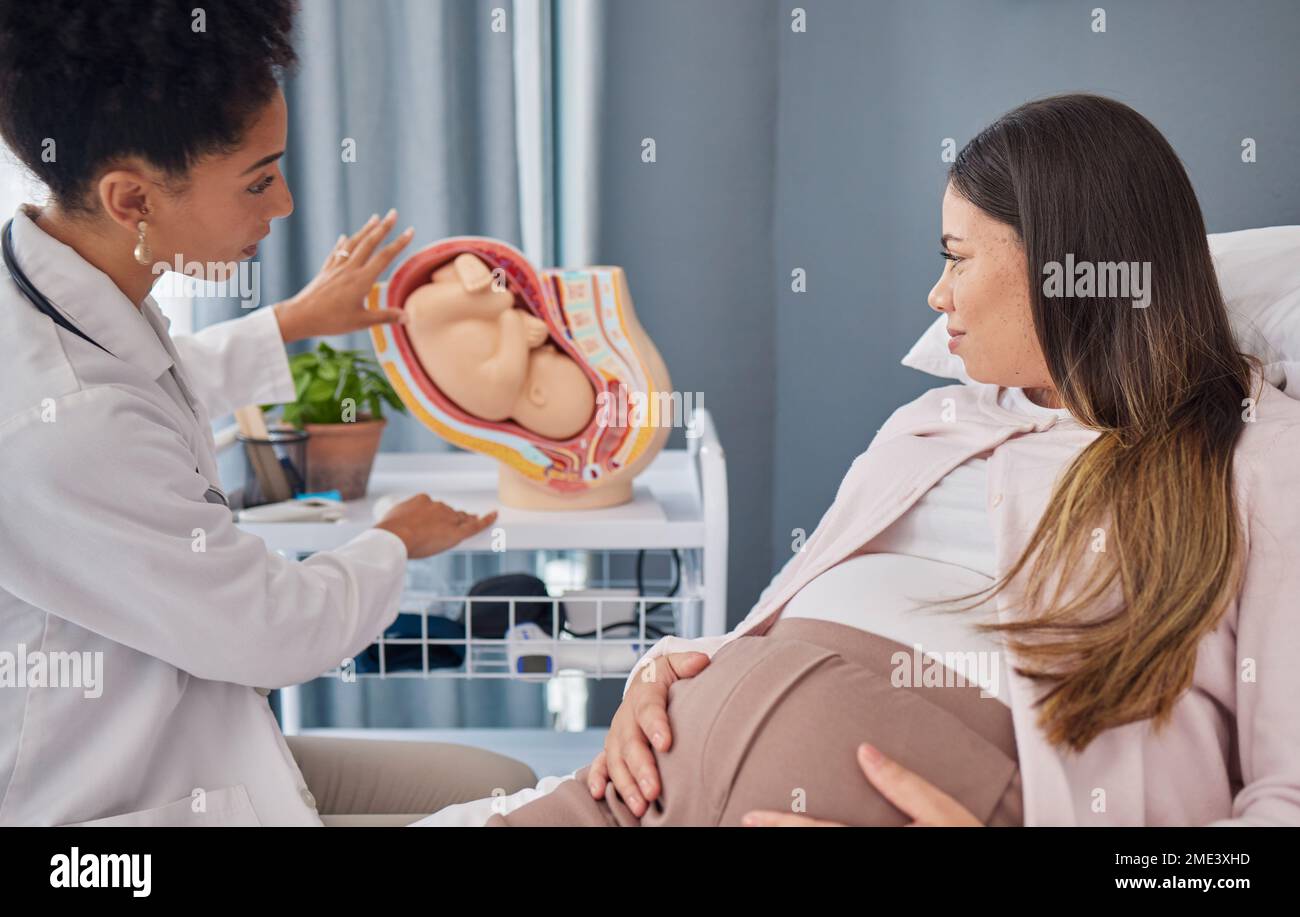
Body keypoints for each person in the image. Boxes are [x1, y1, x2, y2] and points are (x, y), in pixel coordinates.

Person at [419, 93, 1300, 828]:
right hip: (641, 792)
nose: (936, 295)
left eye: (956, 258)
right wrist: (661, 674)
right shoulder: (932, 424)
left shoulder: (1257, 459)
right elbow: (768, 620)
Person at [0, 0, 536, 826]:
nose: (284, 204)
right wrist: (396, 540)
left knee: (502, 781)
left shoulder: (51, 290)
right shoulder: (68, 425)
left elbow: (151, 393)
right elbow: (277, 634)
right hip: (102, 817)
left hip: (184, 735)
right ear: (132, 200)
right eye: (259, 178)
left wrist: (296, 320)